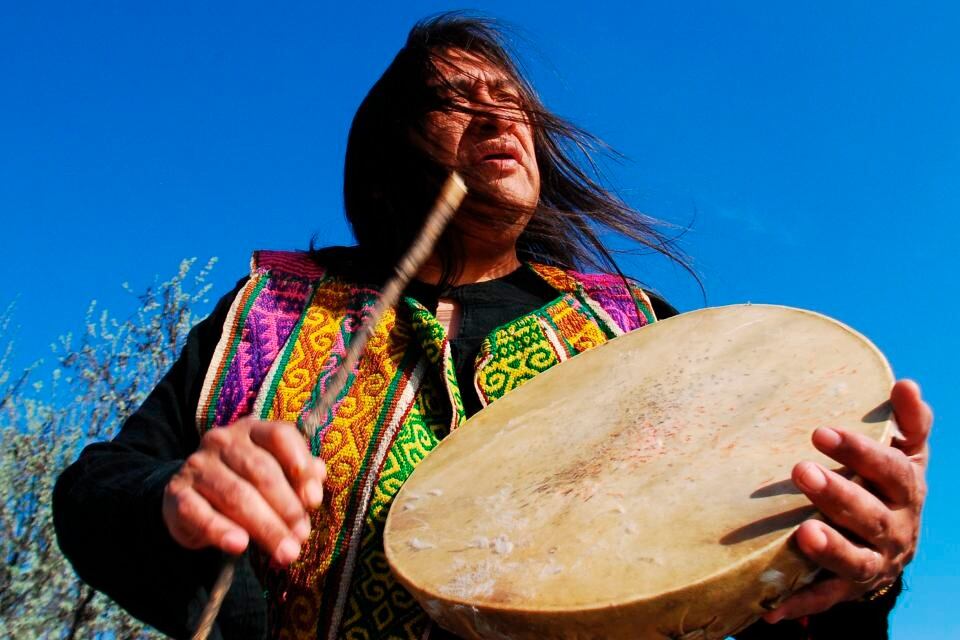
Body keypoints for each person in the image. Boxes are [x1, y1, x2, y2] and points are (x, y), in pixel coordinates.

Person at [53, 13, 931, 640]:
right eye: (456, 98)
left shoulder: (631, 330)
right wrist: (176, 500)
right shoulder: (272, 315)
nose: (498, 114)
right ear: (398, 137)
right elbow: (93, 492)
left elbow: (751, 588)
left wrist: (865, 571)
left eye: (507, 98)